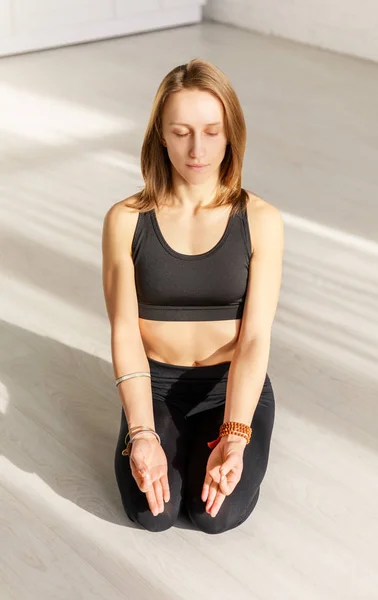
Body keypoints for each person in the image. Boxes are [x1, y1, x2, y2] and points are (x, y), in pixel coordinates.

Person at [102, 58, 284, 534]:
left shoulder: (261, 221)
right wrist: (142, 432)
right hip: (155, 384)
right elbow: (124, 331)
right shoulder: (125, 219)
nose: (197, 149)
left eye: (211, 131)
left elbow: (255, 339)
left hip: (229, 387)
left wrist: (236, 435)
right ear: (160, 134)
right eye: (181, 132)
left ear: (230, 134)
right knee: (154, 514)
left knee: (212, 515)